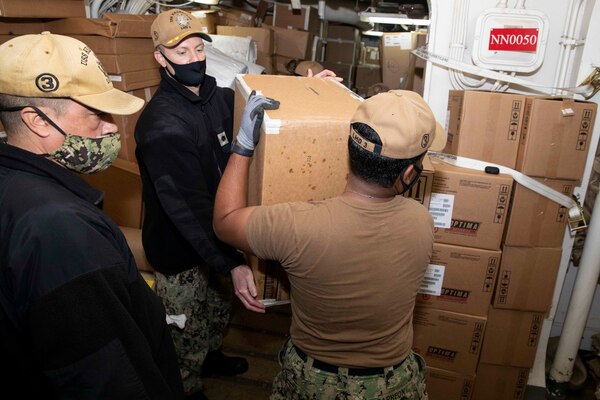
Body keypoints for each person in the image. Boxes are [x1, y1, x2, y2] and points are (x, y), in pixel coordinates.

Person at [213, 89, 448, 399]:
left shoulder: (297, 226)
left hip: (312, 384)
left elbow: (224, 221)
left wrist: (243, 145)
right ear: (408, 173)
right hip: (392, 385)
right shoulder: (422, 222)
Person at [0, 32, 184, 399]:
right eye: (95, 114)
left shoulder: (16, 185)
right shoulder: (61, 231)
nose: (111, 126)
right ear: (37, 121)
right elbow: (106, 376)